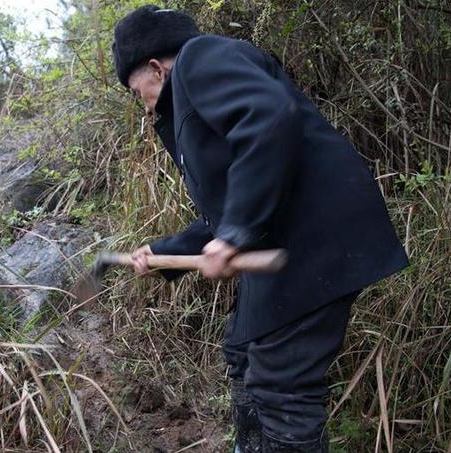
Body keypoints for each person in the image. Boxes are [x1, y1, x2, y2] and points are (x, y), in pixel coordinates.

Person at [111, 5, 409, 452]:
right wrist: (161, 254)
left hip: (311, 237)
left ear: (156, 67)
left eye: (140, 92)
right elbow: (225, 208)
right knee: (243, 351)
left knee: (281, 382)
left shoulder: (199, 59)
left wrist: (235, 234)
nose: (145, 105)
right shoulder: (192, 109)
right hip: (283, 236)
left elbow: (269, 115)